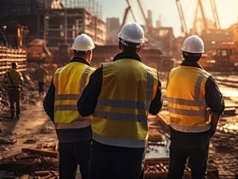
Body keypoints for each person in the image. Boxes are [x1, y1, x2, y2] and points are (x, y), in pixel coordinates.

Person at [77, 22, 163, 179]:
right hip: (134, 147)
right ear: (140, 47)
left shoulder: (103, 72)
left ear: (119, 44)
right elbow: (155, 109)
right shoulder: (152, 76)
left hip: (103, 145)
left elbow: (84, 109)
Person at [166, 35, 225, 179]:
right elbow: (218, 107)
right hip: (198, 137)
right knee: (198, 174)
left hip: (176, 133)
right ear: (200, 55)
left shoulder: (172, 74)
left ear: (182, 53)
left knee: (174, 173)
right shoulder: (206, 78)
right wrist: (213, 127)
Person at [43, 34, 96, 179]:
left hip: (64, 136)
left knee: (66, 175)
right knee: (88, 174)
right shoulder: (92, 74)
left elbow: (47, 104)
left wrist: (60, 121)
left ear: (73, 51)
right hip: (86, 135)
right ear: (90, 53)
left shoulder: (59, 73)